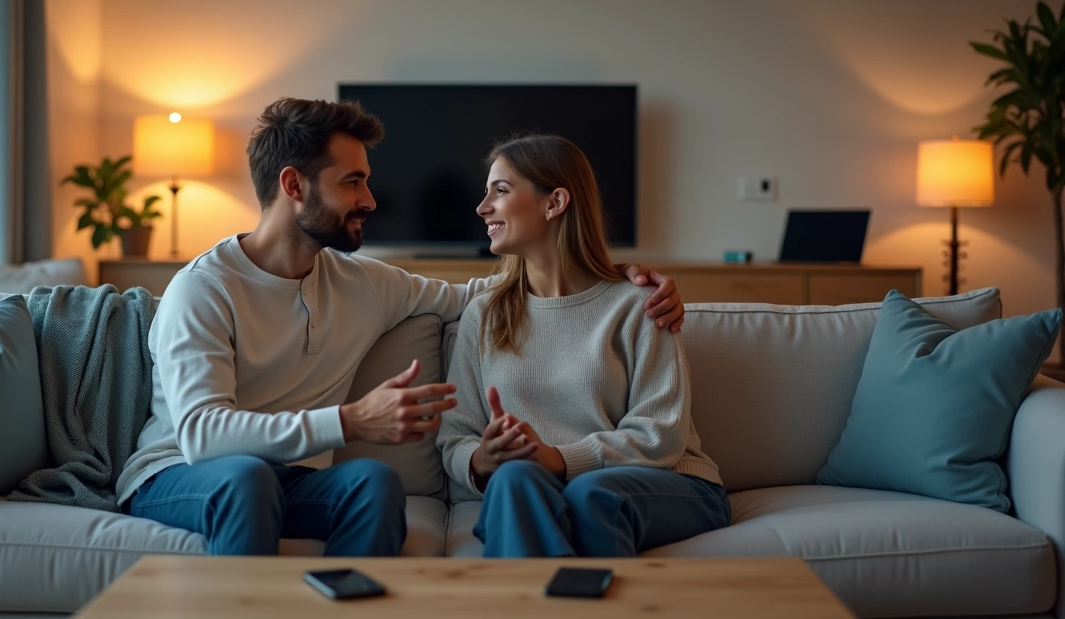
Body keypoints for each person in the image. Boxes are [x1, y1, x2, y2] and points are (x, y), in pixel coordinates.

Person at [115, 99, 688, 557]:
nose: (369, 198)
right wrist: (350, 419)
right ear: (293, 186)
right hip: (183, 473)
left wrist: (621, 277)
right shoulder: (204, 287)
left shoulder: (362, 282)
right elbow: (202, 435)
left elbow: (486, 298)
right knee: (245, 480)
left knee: (372, 483)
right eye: (352, 182)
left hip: (289, 479)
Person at [437, 134, 730, 558]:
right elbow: (454, 439)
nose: (482, 208)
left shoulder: (638, 302)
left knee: (591, 493)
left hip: (667, 482)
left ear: (554, 203)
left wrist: (558, 458)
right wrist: (485, 457)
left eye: (499, 191)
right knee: (513, 479)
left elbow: (661, 435)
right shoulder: (484, 314)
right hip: (544, 484)